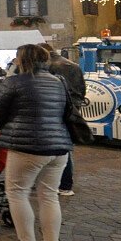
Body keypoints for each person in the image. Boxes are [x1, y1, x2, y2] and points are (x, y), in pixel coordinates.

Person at [0, 44, 72, 241]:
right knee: (49, 195)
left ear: (21, 60)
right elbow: (67, 112)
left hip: (28, 147)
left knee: (17, 192)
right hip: (59, 146)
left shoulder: (14, 82)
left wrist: (14, 125)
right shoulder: (59, 82)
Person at [40, 43, 86, 197]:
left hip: (56, 108)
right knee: (65, 145)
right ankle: (65, 185)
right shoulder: (74, 65)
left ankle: (60, 183)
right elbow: (82, 88)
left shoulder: (49, 67)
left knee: (57, 147)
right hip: (73, 108)